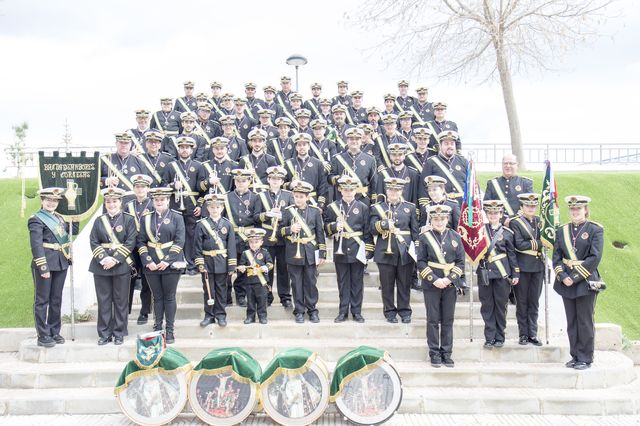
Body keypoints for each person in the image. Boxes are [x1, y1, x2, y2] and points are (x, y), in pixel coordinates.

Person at [553, 195, 604, 370]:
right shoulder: (562, 231)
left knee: (584, 321)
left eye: (579, 209)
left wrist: (573, 277)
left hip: (585, 281)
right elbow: (557, 257)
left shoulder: (595, 230)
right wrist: (562, 276)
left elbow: (594, 258)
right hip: (565, 280)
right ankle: (575, 355)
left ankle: (585, 357)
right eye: (573, 209)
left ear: (585, 210)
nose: (575, 212)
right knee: (572, 321)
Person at [28, 187, 78, 347]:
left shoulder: (60, 218)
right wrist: (43, 267)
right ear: (42, 200)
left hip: (61, 262)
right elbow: (36, 245)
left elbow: (73, 231)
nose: (51, 203)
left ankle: (54, 331)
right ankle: (42, 335)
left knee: (56, 299)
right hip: (45, 263)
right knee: (42, 300)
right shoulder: (36, 219)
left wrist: (73, 207)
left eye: (55, 200)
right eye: (48, 200)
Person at [417, 204, 465, 368]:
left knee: (447, 320)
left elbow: (460, 262)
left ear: (447, 219)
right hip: (432, 284)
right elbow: (421, 262)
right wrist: (434, 279)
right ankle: (434, 353)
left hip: (450, 285)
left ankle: (446, 353)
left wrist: (450, 279)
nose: (439, 222)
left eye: (442, 219)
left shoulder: (455, 236)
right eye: (436, 219)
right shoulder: (424, 237)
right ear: (431, 219)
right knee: (432, 320)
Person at [138, 187, 186, 344]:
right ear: (153, 201)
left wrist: (167, 260)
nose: (159, 202)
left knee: (169, 297)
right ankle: (158, 328)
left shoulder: (176, 217)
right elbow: (141, 241)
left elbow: (180, 240)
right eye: (156, 200)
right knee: (157, 298)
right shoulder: (145, 218)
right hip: (151, 265)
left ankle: (170, 330)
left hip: (171, 265)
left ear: (168, 200)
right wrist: (148, 261)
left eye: (162, 199)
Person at [89, 187, 137, 345]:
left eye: (115, 201)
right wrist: (104, 259)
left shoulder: (129, 219)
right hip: (101, 266)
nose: (111, 204)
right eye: (108, 202)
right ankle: (104, 334)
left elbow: (131, 242)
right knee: (103, 301)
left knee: (121, 300)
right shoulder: (98, 220)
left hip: (121, 265)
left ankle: (119, 332)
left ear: (120, 202)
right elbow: (94, 241)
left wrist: (114, 259)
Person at [324, 175, 373, 323]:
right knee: (343, 282)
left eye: (351, 190)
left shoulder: (363, 207)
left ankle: (356, 312)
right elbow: (326, 228)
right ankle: (343, 311)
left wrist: (368, 250)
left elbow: (367, 231)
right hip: (341, 249)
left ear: (355, 190)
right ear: (340, 190)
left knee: (357, 282)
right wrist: (333, 227)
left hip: (357, 248)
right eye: (345, 189)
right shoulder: (332, 207)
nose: (348, 192)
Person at [369, 177, 419, 324]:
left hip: (404, 251)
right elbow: (372, 228)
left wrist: (416, 248)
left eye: (397, 190)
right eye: (391, 189)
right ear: (386, 190)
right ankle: (389, 311)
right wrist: (384, 224)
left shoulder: (409, 208)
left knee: (404, 283)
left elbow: (414, 231)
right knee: (387, 284)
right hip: (384, 251)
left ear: (401, 191)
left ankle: (405, 311)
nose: (393, 192)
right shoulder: (378, 207)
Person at [280, 180, 327, 323]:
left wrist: (322, 253)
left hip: (310, 252)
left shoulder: (314, 212)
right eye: (296, 196)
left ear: (307, 197)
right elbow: (279, 231)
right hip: (294, 251)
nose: (298, 199)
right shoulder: (288, 212)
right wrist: (290, 229)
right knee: (296, 283)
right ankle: (299, 311)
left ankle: (312, 310)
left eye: (301, 196)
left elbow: (320, 233)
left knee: (311, 282)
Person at [477, 200, 519, 348]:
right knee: (487, 306)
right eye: (490, 213)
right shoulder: (480, 231)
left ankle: (500, 336)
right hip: (485, 272)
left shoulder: (507, 233)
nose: (493, 215)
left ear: (501, 214)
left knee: (501, 305)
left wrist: (516, 273)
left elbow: (512, 254)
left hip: (502, 273)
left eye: (496, 213)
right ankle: (489, 337)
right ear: (487, 214)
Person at [163, 136, 206, 275]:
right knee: (177, 235)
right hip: (175, 205)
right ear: (178, 149)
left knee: (191, 235)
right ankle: (178, 262)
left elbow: (203, 190)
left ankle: (191, 264)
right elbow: (163, 185)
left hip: (192, 206)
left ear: (191, 149)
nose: (184, 150)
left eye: (187, 147)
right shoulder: (171, 166)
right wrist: (172, 185)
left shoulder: (198, 166)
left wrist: (200, 205)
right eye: (182, 147)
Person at [194, 193, 237, 328]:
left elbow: (231, 246)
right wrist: (200, 263)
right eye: (212, 207)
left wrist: (231, 266)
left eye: (217, 207)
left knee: (221, 290)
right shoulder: (201, 225)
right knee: (208, 290)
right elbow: (197, 246)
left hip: (222, 262)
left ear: (222, 207)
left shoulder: (228, 225)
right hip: (207, 262)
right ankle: (209, 315)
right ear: (207, 208)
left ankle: (220, 315)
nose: (214, 209)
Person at [254, 166, 294, 308]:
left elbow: (293, 216)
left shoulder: (289, 196)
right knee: (267, 269)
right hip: (266, 239)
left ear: (282, 180)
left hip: (283, 239)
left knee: (284, 269)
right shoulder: (260, 196)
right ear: (268, 180)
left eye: (278, 179)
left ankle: (285, 297)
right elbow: (255, 217)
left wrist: (282, 217)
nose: (275, 181)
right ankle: (267, 296)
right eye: (273, 179)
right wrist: (267, 215)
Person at [509, 193, 545, 346]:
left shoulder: (540, 222)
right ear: (521, 207)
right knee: (522, 302)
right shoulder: (515, 222)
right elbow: (519, 244)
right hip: (522, 267)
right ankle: (523, 334)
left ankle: (533, 333)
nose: (531, 208)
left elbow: (548, 241)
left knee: (534, 302)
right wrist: (539, 242)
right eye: (527, 206)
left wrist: (539, 242)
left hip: (537, 267)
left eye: (533, 206)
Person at [223, 169, 259, 307]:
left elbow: (256, 219)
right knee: (229, 267)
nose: (240, 183)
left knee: (244, 268)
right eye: (238, 181)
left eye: (244, 181)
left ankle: (241, 295)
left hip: (247, 238)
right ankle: (226, 296)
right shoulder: (227, 197)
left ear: (249, 181)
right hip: (232, 236)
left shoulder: (255, 197)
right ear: (234, 182)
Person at [125, 174, 154, 325]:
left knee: (147, 280)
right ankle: (125, 310)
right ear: (134, 188)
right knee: (128, 278)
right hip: (131, 248)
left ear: (148, 188)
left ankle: (144, 311)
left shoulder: (153, 204)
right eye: (137, 187)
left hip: (147, 247)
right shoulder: (128, 205)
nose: (140, 189)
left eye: (143, 186)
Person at [328, 127, 377, 206]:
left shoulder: (370, 159)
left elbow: (374, 182)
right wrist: (338, 179)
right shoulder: (337, 158)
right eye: (351, 139)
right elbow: (330, 178)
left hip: (363, 199)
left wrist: (372, 200)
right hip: (342, 198)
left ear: (361, 141)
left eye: (357, 139)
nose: (354, 141)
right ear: (347, 141)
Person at [419, 131, 468, 206]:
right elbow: (423, 188)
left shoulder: (463, 161)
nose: (450, 146)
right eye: (446, 144)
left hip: (463, 206)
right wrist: (425, 208)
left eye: (452, 144)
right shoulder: (431, 162)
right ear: (440, 145)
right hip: (441, 208)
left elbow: (472, 185)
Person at [237, 228, 273, 324]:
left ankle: (262, 316)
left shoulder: (265, 252)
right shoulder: (245, 254)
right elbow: (242, 264)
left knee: (262, 300)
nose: (253, 244)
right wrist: (242, 268)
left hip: (261, 282)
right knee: (250, 301)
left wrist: (265, 267)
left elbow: (270, 263)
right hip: (249, 281)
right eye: (251, 242)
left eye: (256, 242)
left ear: (261, 242)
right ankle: (250, 317)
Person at [283, 132, 329, 209]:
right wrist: (290, 184)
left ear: (309, 146)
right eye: (299, 145)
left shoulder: (317, 163)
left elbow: (323, 185)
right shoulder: (288, 163)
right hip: (293, 201)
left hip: (312, 201)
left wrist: (320, 203)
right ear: (296, 147)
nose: (302, 147)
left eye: (304, 145)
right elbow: (282, 184)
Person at [483, 154, 533, 222]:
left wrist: (514, 219)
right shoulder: (492, 184)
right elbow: (486, 205)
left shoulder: (525, 183)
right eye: (505, 163)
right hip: (498, 223)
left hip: (519, 223)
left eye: (511, 163)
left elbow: (530, 205)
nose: (508, 166)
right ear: (502, 165)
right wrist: (503, 219)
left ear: (517, 165)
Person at [100, 133, 142, 207]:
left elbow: (145, 186)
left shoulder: (139, 162)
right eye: (121, 142)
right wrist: (106, 181)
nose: (123, 145)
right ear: (116, 143)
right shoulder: (106, 160)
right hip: (112, 203)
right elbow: (94, 181)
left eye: (126, 143)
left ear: (130, 144)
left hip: (133, 203)